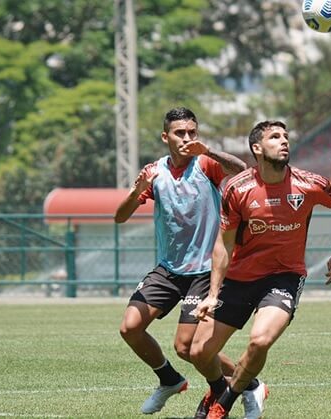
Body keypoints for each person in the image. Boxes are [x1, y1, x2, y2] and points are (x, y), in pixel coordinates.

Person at [188, 120, 331, 419]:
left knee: (260, 340)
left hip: (284, 277)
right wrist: (213, 294)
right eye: (274, 137)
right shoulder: (237, 189)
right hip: (240, 277)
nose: (284, 141)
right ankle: (233, 388)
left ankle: (223, 405)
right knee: (198, 351)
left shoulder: (309, 184)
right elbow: (223, 245)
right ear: (257, 148)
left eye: (286, 136)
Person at [114, 107, 255, 415]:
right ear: (166, 137)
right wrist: (138, 189)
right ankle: (169, 380)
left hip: (205, 270)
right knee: (130, 327)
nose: (187, 138)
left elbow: (242, 170)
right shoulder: (154, 173)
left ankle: (246, 384)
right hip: (169, 268)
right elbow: (120, 217)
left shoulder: (206, 163)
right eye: (180, 133)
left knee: (187, 348)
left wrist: (212, 152)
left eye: (192, 132)